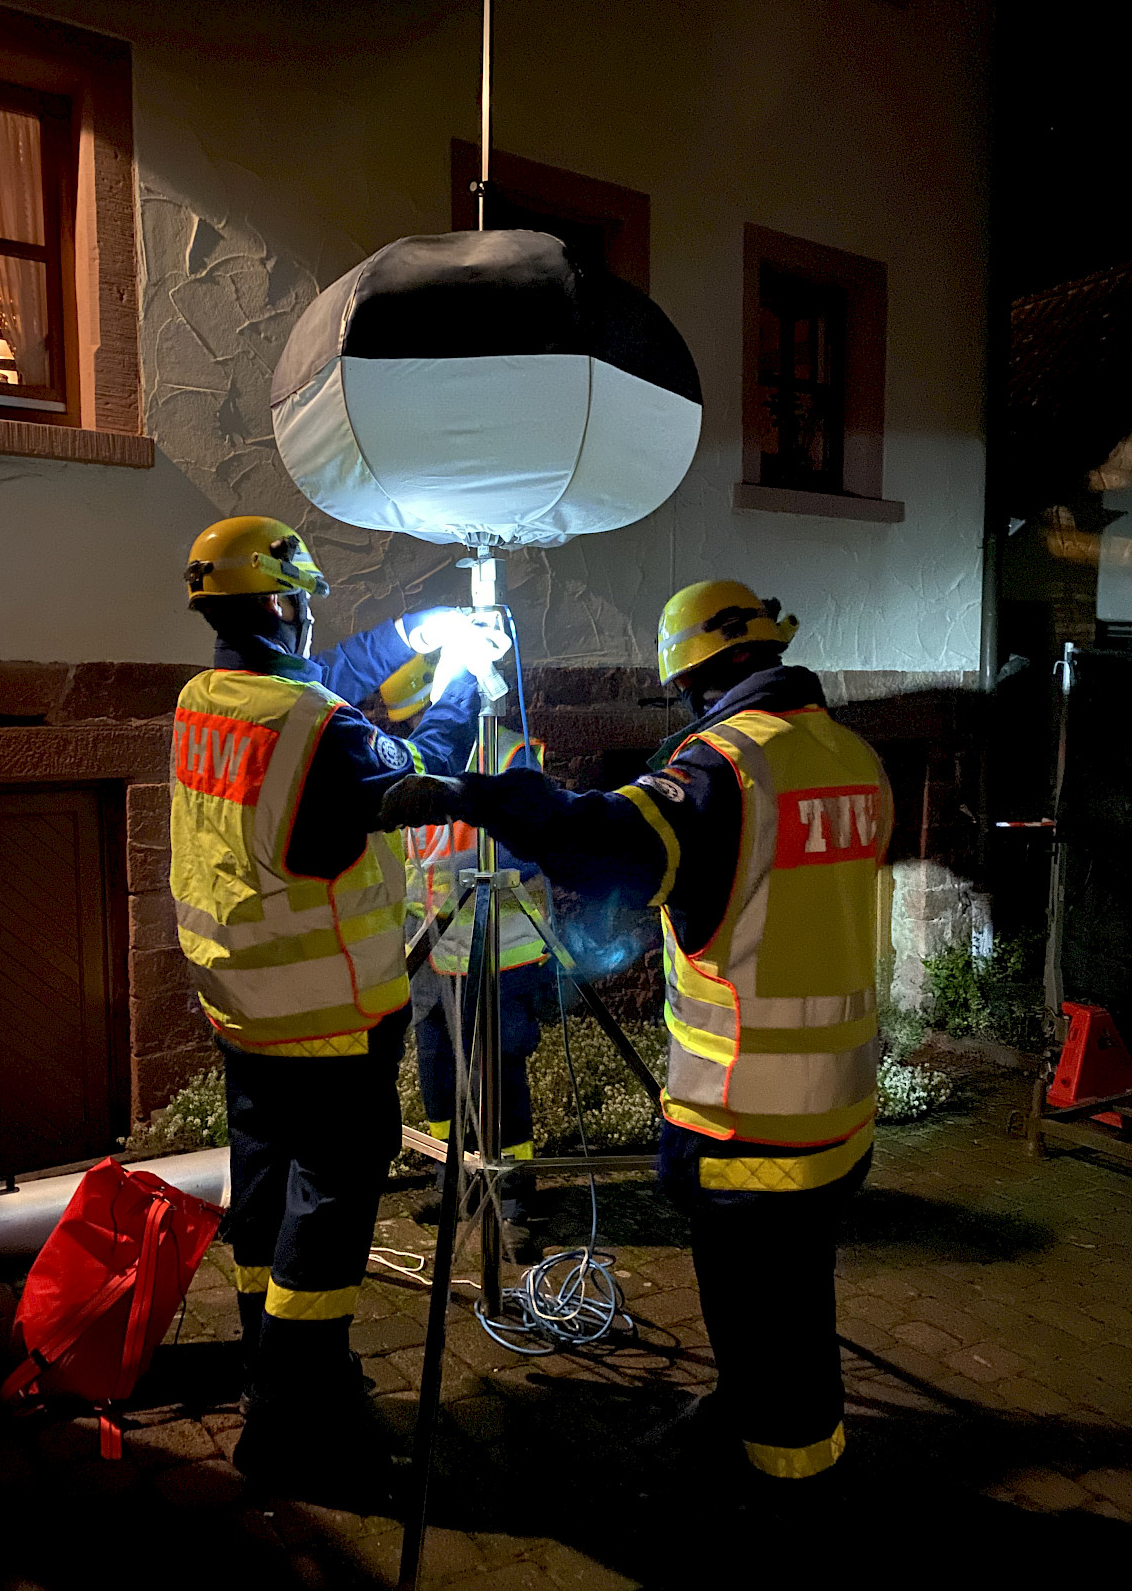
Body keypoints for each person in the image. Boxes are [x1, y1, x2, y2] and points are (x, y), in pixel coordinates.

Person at [379, 578, 893, 1494]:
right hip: (841, 1100)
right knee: (796, 1287)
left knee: (761, 1305)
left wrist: (495, 798)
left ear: (690, 673)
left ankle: (788, 1476)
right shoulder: (853, 755)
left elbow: (609, 839)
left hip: (748, 1110)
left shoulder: (724, 767)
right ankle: (765, 1419)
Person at [169, 514, 486, 1496]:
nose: (312, 620)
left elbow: (322, 687)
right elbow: (422, 778)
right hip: (329, 1016)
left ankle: (266, 1354)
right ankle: (294, 1415)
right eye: (304, 602)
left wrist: (414, 634)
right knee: (331, 1204)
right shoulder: (324, 736)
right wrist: (464, 682)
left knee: (262, 1186)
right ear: (280, 604)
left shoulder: (208, 697)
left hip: (238, 1002)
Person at [381, 657, 551, 1253]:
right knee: (439, 1079)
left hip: (499, 954)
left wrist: (469, 872)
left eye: (419, 718)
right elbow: (407, 865)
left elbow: (537, 847)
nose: (412, 735)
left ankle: (512, 1195)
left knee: (498, 1079)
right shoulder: (415, 767)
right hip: (429, 956)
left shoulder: (509, 757)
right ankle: (452, 1180)